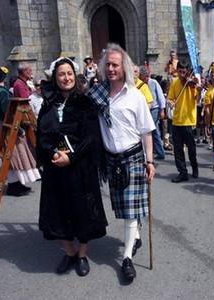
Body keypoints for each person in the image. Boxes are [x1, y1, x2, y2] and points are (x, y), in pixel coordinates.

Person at [87, 43, 156, 282]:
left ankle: (127, 258)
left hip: (134, 157)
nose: (111, 68)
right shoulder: (97, 95)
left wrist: (150, 161)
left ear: (124, 68)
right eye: (107, 64)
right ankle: (134, 236)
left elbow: (146, 131)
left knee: (129, 210)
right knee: (126, 207)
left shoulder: (136, 95)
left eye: (115, 64)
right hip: (111, 159)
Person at [37, 57, 107, 277]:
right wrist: (52, 153)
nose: (65, 78)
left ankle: (83, 254)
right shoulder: (48, 103)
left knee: (82, 210)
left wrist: (72, 158)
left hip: (80, 168)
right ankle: (69, 252)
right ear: (55, 78)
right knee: (59, 209)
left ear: (75, 76)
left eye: (69, 74)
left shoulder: (85, 103)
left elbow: (91, 137)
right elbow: (41, 135)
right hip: (55, 167)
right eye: (61, 74)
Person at [0, 65, 41, 196]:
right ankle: (14, 185)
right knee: (15, 155)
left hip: (2, 124)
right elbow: (9, 113)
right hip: (9, 125)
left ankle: (17, 183)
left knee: (13, 155)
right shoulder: (2, 92)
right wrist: (19, 130)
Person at [167, 60, 201, 183]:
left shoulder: (192, 83)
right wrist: (170, 102)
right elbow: (170, 99)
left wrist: (200, 91)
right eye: (180, 72)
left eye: (184, 72)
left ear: (187, 72)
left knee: (191, 149)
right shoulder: (175, 83)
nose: (182, 75)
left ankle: (195, 167)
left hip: (188, 121)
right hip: (177, 121)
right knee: (178, 150)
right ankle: (182, 172)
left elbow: (197, 100)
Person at [138, 66, 166, 160]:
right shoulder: (141, 85)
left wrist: (162, 110)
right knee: (155, 131)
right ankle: (160, 152)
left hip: (154, 109)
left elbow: (160, 96)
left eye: (140, 76)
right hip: (146, 109)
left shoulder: (154, 83)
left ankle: (155, 152)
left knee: (151, 129)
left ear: (145, 76)